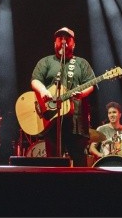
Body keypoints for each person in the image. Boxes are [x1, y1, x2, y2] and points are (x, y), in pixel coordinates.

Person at [31, 27, 96, 167]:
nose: (63, 41)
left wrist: (82, 93)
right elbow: (35, 80)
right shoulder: (46, 62)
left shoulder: (81, 63)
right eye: (60, 38)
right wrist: (43, 91)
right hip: (51, 120)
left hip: (76, 122)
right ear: (55, 43)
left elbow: (90, 84)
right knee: (53, 164)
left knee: (80, 163)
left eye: (67, 38)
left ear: (74, 44)